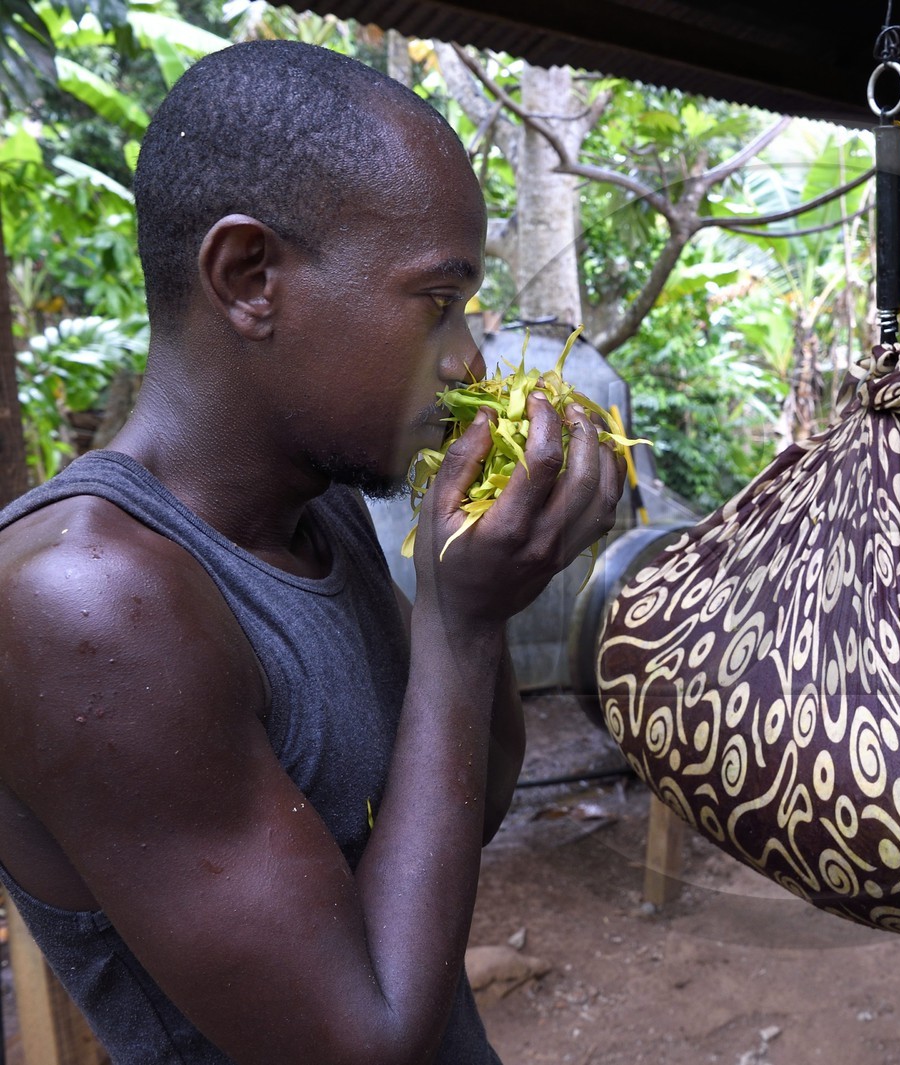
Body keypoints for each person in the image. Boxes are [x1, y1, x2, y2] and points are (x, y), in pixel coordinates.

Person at [0, 41, 623, 1065]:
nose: (468, 361)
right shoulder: (88, 601)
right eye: (436, 302)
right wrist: (459, 630)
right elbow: (361, 1037)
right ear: (249, 278)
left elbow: (471, 812)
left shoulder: (319, 513)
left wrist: (483, 585)